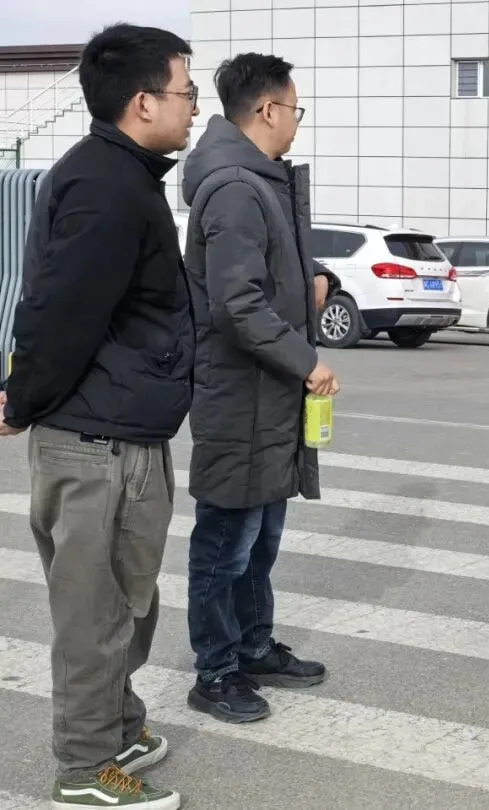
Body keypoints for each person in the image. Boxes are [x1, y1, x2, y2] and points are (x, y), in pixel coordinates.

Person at [0, 23, 197, 810]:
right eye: (186, 91)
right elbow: (60, 308)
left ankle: (118, 727)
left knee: (127, 602)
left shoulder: (120, 176)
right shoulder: (106, 186)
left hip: (122, 432)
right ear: (143, 101)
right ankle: (84, 767)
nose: (193, 106)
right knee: (95, 615)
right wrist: (23, 397)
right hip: (95, 443)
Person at [180, 53, 340, 724]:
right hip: (241, 398)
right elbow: (237, 303)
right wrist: (306, 361)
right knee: (227, 544)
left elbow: (268, 275)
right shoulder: (236, 188)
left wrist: (317, 281)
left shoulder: (259, 181)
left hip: (267, 400)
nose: (297, 122)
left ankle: (252, 645)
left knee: (260, 539)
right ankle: (215, 670)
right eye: (295, 109)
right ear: (268, 110)